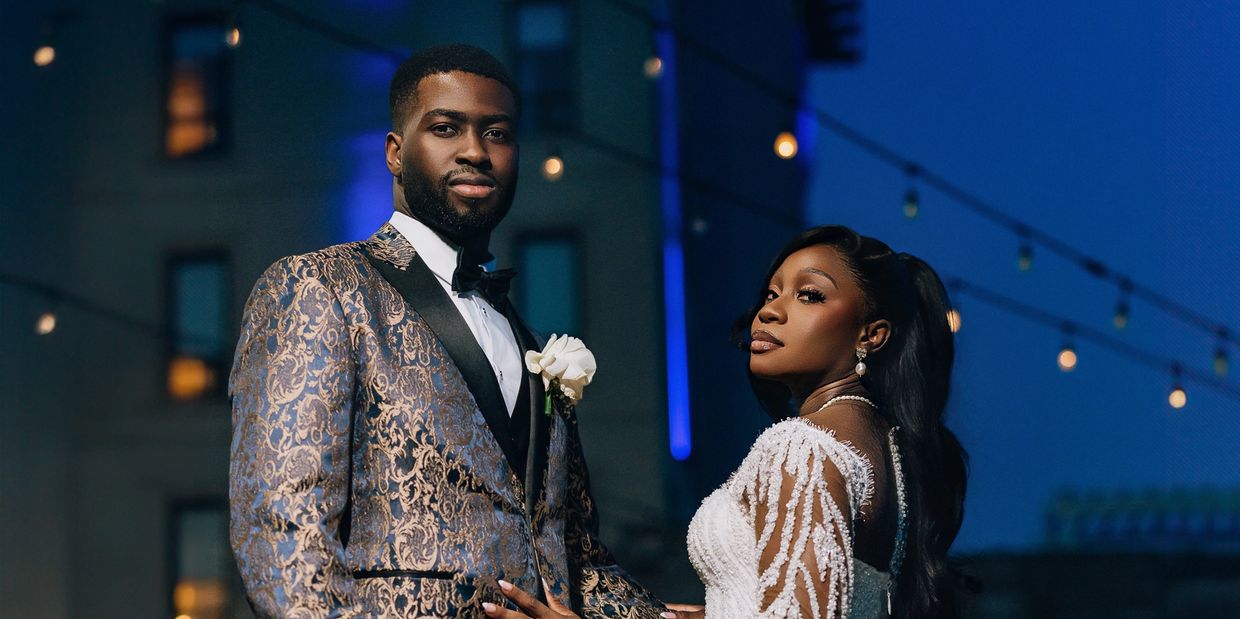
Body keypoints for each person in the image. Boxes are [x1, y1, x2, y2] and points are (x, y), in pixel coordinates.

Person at [228, 43, 666, 618]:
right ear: (395, 152)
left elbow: (576, 557)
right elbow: (284, 536)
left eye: (498, 133)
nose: (476, 151)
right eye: (445, 128)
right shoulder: (317, 287)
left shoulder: (528, 341)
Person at [683, 225, 969, 618]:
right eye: (772, 293)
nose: (769, 310)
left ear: (871, 335)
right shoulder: (884, 446)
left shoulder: (803, 447)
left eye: (810, 295)